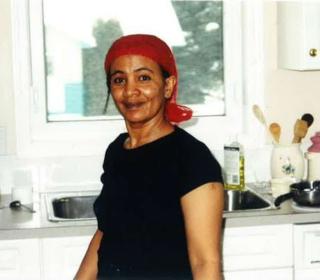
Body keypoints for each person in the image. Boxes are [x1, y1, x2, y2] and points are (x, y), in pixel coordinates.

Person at [75, 34, 224, 280]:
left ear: (167, 86)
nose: (130, 91)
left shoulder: (192, 158)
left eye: (144, 77)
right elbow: (107, 232)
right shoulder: (117, 151)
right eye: (119, 80)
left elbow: (204, 261)